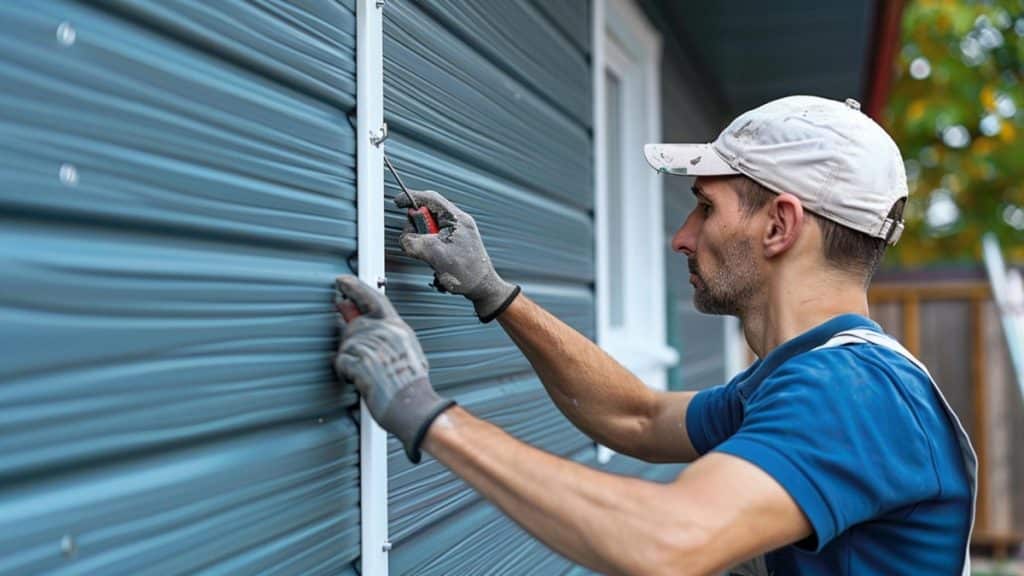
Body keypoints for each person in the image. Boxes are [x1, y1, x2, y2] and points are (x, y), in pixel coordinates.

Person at [333, 95, 976, 575]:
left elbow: (666, 541)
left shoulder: (852, 393)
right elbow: (634, 417)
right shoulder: (805, 376)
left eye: (705, 206)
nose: (683, 237)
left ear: (780, 226)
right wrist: (493, 291)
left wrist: (423, 412)